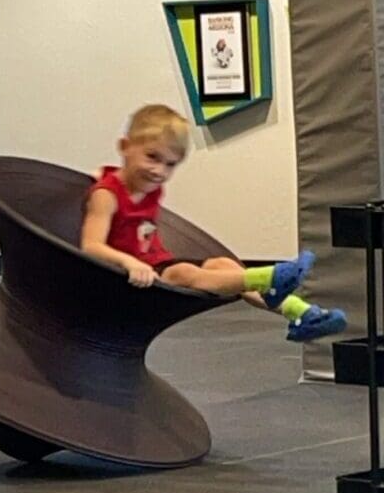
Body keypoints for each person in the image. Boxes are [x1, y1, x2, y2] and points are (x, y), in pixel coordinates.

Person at [80, 104, 347, 342]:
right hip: (132, 278)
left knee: (225, 265)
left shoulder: (147, 185)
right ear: (125, 147)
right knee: (183, 273)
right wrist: (130, 263)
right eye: (152, 157)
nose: (159, 171)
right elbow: (91, 246)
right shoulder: (107, 195)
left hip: (157, 264)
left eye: (170, 164)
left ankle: (301, 312)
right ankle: (269, 278)